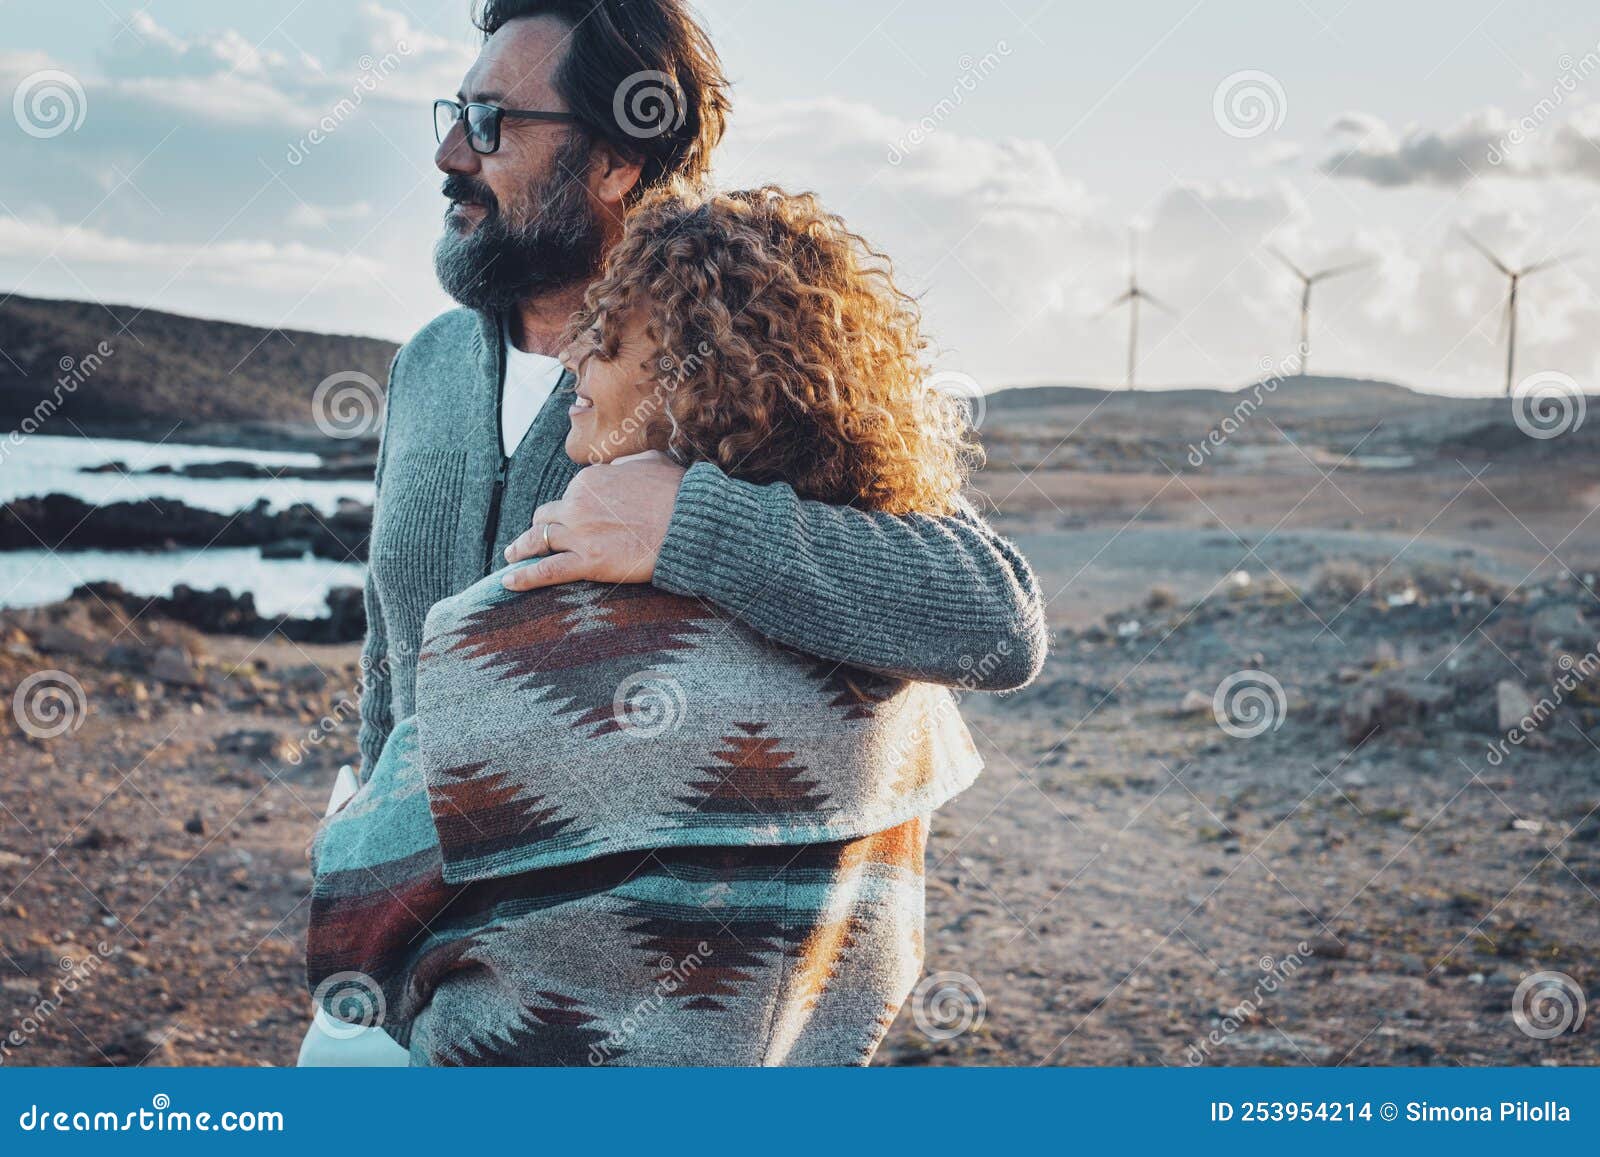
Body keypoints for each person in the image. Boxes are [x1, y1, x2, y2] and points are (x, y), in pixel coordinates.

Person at [307, 182, 989, 1065]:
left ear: (696, 377)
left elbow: (350, 926)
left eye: (610, 335)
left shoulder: (505, 651)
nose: (574, 357)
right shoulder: (893, 672)